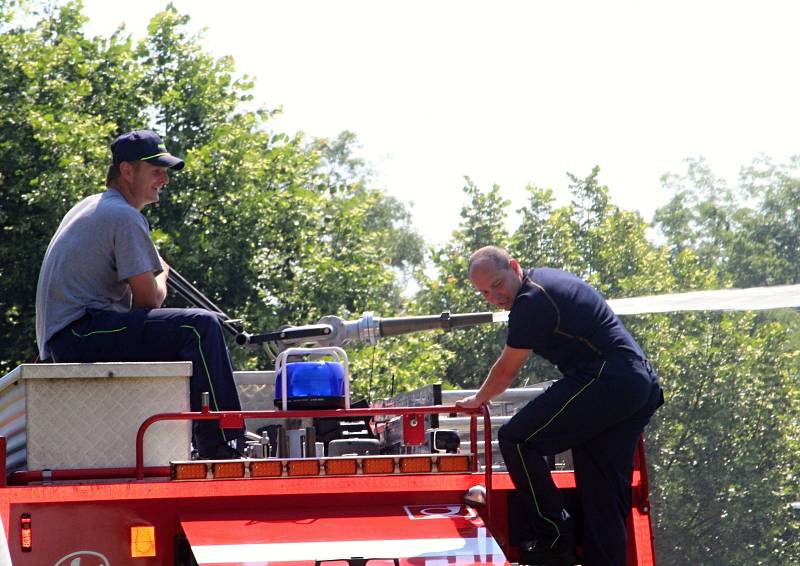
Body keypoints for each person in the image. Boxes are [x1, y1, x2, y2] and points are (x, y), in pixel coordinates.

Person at [35, 129, 244, 460]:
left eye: (166, 171)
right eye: (156, 170)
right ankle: (224, 445)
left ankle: (189, 439)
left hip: (70, 335)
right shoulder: (124, 216)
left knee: (182, 332)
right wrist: (163, 272)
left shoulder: (93, 206)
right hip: (81, 332)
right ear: (127, 171)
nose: (165, 180)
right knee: (200, 327)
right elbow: (150, 301)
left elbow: (137, 309)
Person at [456, 246, 663, 566]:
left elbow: (506, 372)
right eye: (483, 292)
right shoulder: (544, 281)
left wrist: (477, 399)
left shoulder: (531, 301)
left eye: (497, 285)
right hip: (637, 385)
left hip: (608, 379)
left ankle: (554, 536)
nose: (494, 296)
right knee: (602, 496)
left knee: (517, 439)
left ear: (514, 266)